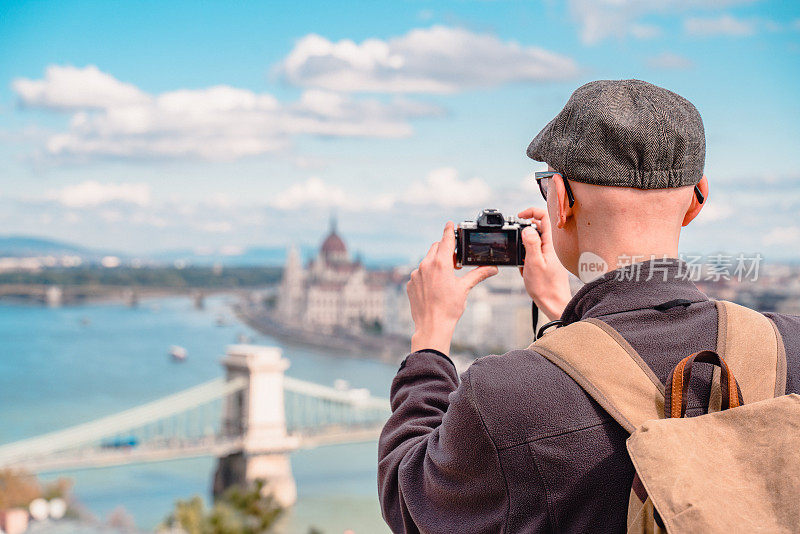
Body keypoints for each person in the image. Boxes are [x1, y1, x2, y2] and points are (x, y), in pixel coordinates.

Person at [377, 79, 800, 533]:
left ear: (560, 201)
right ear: (697, 200)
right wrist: (569, 313)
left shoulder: (506, 395)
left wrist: (430, 340)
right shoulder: (789, 346)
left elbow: (411, 499)